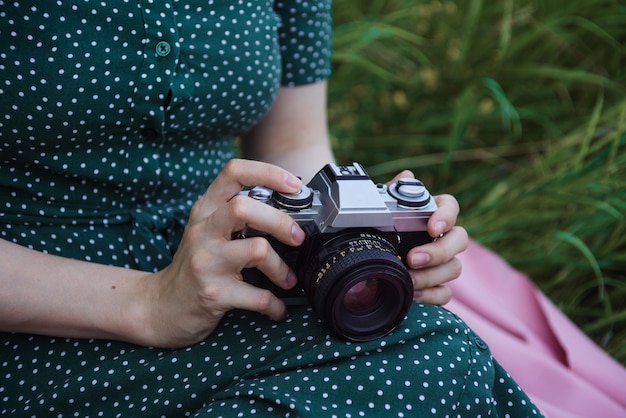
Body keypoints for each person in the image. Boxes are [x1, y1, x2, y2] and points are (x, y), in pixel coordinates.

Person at [0, 1, 545, 416]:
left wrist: (361, 238)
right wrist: (150, 303)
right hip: (42, 307)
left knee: (425, 342)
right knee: (425, 365)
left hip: (235, 270)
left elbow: (294, 147)